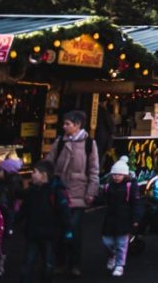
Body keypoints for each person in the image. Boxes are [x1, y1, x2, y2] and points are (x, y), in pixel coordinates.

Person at [44, 110, 99, 278]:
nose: (64, 126)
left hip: (79, 192)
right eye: (64, 123)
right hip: (60, 191)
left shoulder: (89, 143)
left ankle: (75, 264)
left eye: (68, 124)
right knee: (59, 229)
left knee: (73, 229)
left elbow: (93, 170)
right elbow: (49, 162)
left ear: (77, 125)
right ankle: (60, 262)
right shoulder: (60, 141)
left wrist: (91, 192)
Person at [17, 160, 71, 283]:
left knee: (47, 264)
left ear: (43, 174)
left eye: (34, 172)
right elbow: (24, 209)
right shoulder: (31, 192)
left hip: (49, 235)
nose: (32, 175)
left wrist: (68, 230)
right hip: (34, 233)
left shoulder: (56, 192)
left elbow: (64, 212)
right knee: (28, 263)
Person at [95, 157, 142, 277]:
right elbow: (102, 199)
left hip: (124, 219)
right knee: (107, 241)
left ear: (125, 175)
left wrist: (136, 219)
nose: (116, 176)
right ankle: (112, 255)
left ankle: (120, 265)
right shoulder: (108, 186)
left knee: (122, 244)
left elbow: (136, 203)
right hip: (110, 219)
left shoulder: (130, 187)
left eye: (120, 174)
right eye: (114, 174)